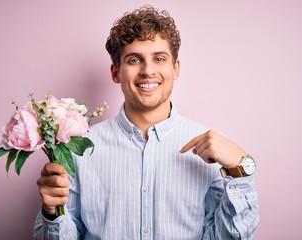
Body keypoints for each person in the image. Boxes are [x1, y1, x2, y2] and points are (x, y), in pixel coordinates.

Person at [34, 6, 259, 239]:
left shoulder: (212, 151)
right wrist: (51, 213)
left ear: (175, 68)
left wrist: (241, 172)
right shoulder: (79, 149)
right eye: (134, 60)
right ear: (115, 72)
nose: (148, 70)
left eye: (159, 58)